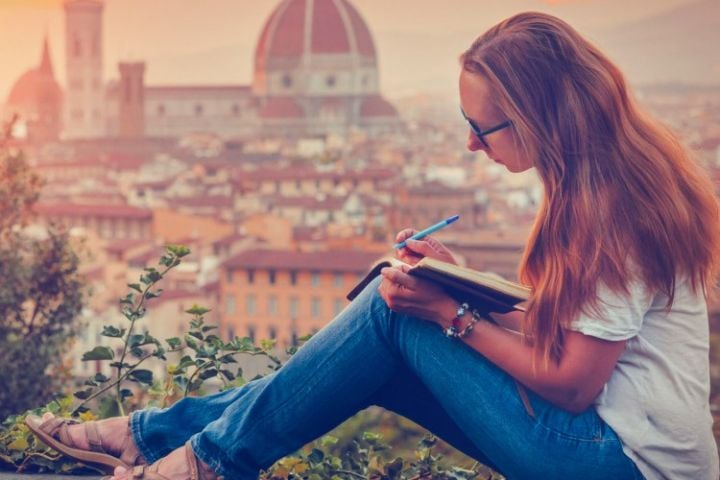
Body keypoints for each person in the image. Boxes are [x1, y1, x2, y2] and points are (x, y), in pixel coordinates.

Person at [26, 11, 719, 480]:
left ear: (540, 115)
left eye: (486, 128)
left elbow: (571, 383)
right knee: (379, 357)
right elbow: (577, 340)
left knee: (391, 315)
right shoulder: (601, 176)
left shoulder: (612, 206)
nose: (470, 144)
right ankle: (161, 439)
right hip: (609, 443)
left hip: (623, 462)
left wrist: (450, 314)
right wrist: (462, 283)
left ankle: (196, 462)